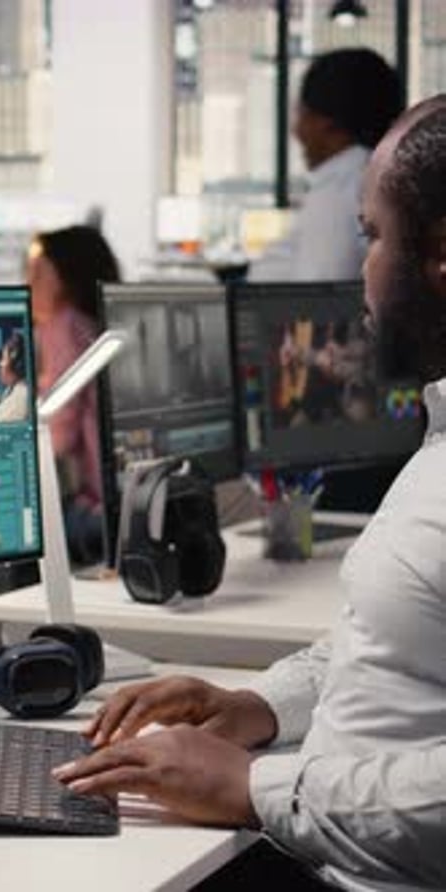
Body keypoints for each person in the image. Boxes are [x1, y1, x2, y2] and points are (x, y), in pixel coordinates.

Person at [53, 95, 446, 891]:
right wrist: (258, 706)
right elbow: (398, 646)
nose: (358, 271)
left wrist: (254, 787)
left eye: (372, 236)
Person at [249, 48, 403, 282]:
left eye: (302, 114)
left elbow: (321, 293)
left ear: (327, 123)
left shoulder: (339, 191)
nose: (296, 130)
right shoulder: (378, 179)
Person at [26, 224, 122, 565]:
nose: (28, 281)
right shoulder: (95, 324)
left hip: (98, 512)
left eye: (39, 272)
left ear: (67, 278)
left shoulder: (63, 325)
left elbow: (60, 435)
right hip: (119, 499)